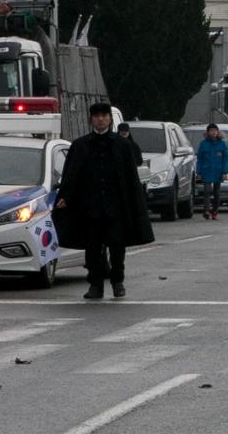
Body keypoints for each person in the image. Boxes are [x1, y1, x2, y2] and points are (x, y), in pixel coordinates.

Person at [54, 102, 154, 299]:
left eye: (104, 116)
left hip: (115, 206)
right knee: (92, 248)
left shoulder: (122, 145)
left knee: (117, 245)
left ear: (109, 118)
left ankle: (117, 281)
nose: (100, 120)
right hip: (90, 207)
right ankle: (95, 285)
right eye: (97, 116)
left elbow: (130, 178)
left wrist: (135, 202)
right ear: (91, 119)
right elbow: (71, 175)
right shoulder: (80, 145)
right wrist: (65, 196)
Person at [195, 123, 228, 220]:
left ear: (218, 132)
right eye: (211, 131)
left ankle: (215, 210)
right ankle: (206, 210)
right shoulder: (203, 144)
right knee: (207, 191)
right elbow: (200, 159)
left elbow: (226, 158)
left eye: (215, 130)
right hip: (206, 171)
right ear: (208, 132)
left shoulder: (222, 144)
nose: (213, 132)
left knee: (217, 192)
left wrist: (225, 172)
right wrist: (199, 172)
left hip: (218, 171)